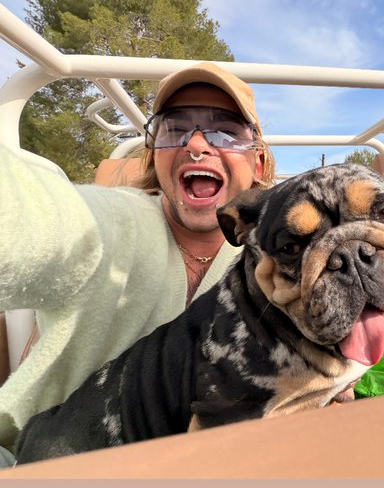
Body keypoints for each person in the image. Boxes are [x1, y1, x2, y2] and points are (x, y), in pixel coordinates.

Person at [0, 62, 275, 459]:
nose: (196, 144)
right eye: (176, 128)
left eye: (225, 130)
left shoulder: (277, 251)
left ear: (258, 164)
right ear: (155, 155)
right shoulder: (115, 222)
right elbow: (36, 213)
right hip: (44, 462)